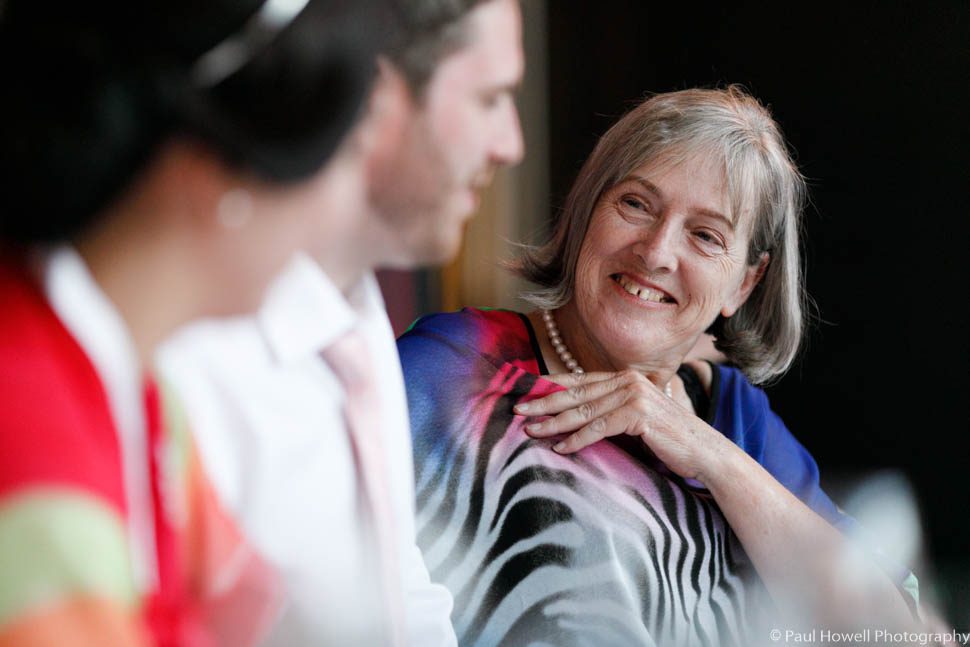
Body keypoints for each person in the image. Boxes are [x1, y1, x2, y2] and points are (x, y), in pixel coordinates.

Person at [398, 86, 920, 645]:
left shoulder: (735, 417)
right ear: (586, 212)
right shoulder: (458, 366)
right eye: (636, 204)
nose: (655, 252)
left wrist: (706, 451)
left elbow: (890, 631)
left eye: (705, 235)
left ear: (744, 284)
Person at [0, 1, 386, 644]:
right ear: (220, 171)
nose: (343, 213)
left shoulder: (138, 389)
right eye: (345, 157)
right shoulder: (38, 460)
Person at [157, 0, 525, 644]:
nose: (511, 144)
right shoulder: (190, 351)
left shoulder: (354, 314)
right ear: (377, 93)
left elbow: (402, 588)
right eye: (489, 98)